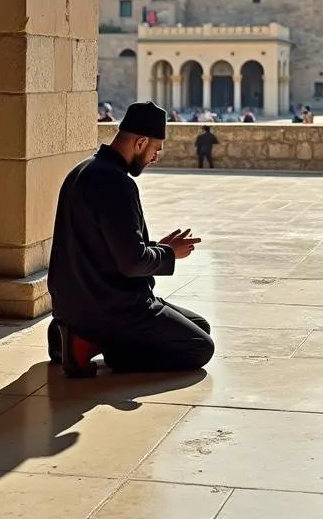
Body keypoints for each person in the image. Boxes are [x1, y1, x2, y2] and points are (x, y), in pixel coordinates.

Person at [47, 101, 214, 377]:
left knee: (200, 326)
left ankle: (73, 334)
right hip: (113, 307)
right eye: (155, 150)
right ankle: (92, 343)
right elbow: (131, 263)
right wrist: (170, 254)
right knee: (199, 347)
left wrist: (158, 248)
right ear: (141, 142)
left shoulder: (82, 171)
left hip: (75, 304)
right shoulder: (116, 184)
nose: (155, 158)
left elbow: (108, 248)